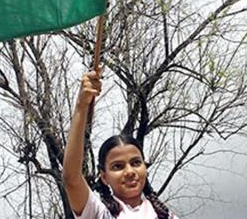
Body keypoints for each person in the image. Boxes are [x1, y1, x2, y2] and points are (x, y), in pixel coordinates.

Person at [63, 69, 177, 219]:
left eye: (136, 163)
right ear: (104, 176)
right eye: (117, 166)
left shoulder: (166, 216)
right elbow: (71, 178)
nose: (129, 172)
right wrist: (81, 105)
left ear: (146, 168)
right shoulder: (99, 214)